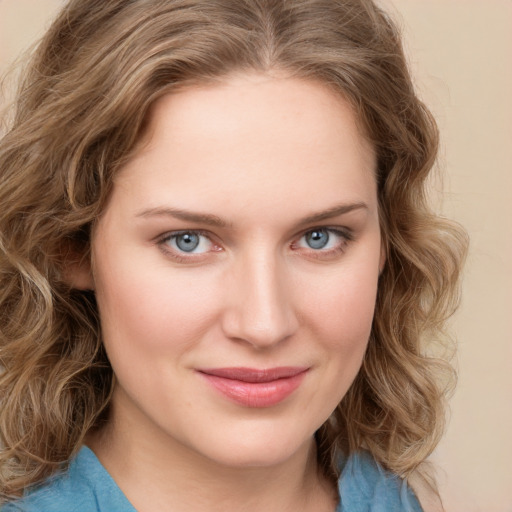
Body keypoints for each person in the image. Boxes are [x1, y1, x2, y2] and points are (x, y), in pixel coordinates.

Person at [0, 0, 468, 510]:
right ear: (69, 245)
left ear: (387, 241)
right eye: (188, 241)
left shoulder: (395, 500)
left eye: (320, 237)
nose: (264, 325)